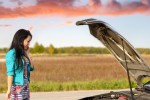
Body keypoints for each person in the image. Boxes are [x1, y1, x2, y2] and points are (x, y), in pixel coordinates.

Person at [5, 29, 34, 100]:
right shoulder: (11, 54)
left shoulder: (24, 53)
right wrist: (9, 89)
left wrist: (28, 54)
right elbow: (10, 73)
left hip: (26, 86)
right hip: (17, 87)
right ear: (21, 40)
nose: (29, 44)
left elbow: (31, 68)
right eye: (28, 41)